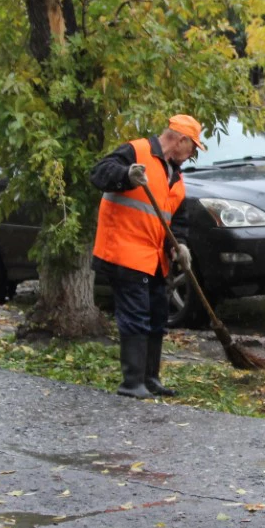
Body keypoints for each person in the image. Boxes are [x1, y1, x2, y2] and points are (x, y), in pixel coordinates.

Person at [90, 115, 205, 399]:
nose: (192, 154)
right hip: (124, 251)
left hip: (153, 258)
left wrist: (179, 246)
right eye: (193, 147)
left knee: (157, 316)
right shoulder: (136, 151)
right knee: (136, 316)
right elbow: (100, 173)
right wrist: (126, 176)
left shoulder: (175, 177)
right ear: (181, 140)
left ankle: (150, 379)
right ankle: (132, 383)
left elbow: (177, 221)